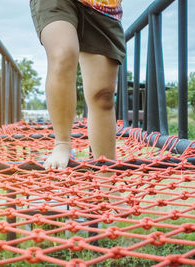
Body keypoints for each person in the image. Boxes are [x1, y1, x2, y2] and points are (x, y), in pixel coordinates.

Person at [30, 0, 125, 170]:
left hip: (103, 6)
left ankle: (107, 182)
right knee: (63, 53)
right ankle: (62, 143)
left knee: (103, 95)